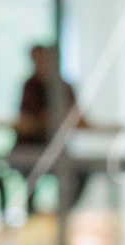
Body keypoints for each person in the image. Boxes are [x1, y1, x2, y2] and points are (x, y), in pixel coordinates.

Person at [14, 43, 89, 211]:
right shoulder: (31, 86)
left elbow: (79, 117)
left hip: (54, 147)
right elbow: (33, 119)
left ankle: (61, 213)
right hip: (31, 146)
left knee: (81, 170)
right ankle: (31, 214)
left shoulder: (64, 86)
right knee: (31, 170)